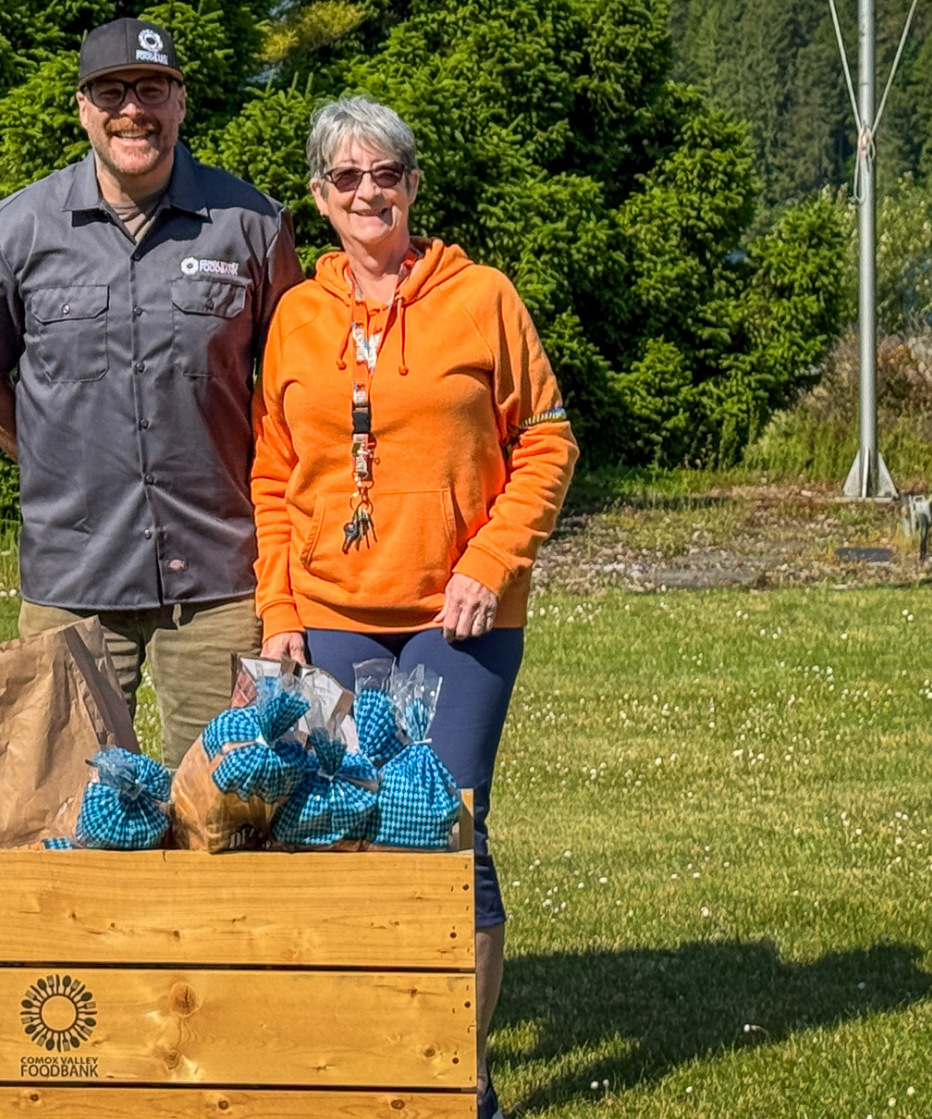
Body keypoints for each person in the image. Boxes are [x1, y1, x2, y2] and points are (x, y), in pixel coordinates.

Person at [249, 97, 578, 1119]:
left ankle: (457, 1075)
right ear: (319, 197)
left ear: (414, 183)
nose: (367, 193)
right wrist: (280, 608)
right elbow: (272, 471)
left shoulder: (482, 297)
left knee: (443, 826)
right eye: (344, 179)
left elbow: (551, 440)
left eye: (385, 172)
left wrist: (492, 559)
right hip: (334, 613)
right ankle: (370, 1059)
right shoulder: (296, 317)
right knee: (340, 828)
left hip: (459, 615)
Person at [0, 18, 304, 767]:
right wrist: (44, 458)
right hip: (72, 581)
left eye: (152, 89)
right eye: (112, 90)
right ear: (83, 107)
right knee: (72, 813)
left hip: (218, 583)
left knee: (222, 811)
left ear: (181, 102)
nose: (132, 109)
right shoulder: (13, 230)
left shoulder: (254, 225)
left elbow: (296, 384)